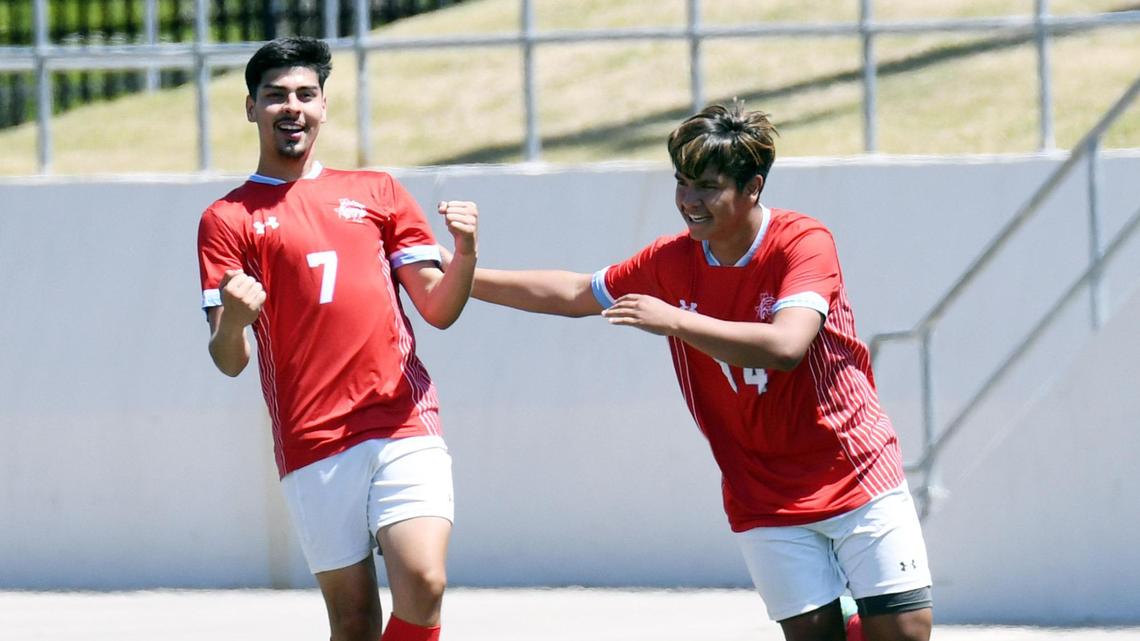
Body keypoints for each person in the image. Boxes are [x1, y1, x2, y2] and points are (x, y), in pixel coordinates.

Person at [458, 103, 933, 641]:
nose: (689, 200)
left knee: (906, 634)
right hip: (760, 490)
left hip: (853, 471)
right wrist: (459, 276)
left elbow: (785, 345)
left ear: (753, 187)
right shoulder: (669, 261)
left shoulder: (802, 242)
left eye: (707, 186)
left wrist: (676, 320)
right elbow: (572, 293)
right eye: (682, 183)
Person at [196, 36, 478, 641]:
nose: (291, 107)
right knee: (353, 623)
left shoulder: (377, 191)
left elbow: (438, 308)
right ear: (251, 108)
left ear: (324, 106)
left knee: (424, 583)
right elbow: (228, 359)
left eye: (305, 94)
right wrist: (237, 321)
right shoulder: (227, 218)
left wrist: (467, 254)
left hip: (404, 419)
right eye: (275, 96)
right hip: (313, 438)